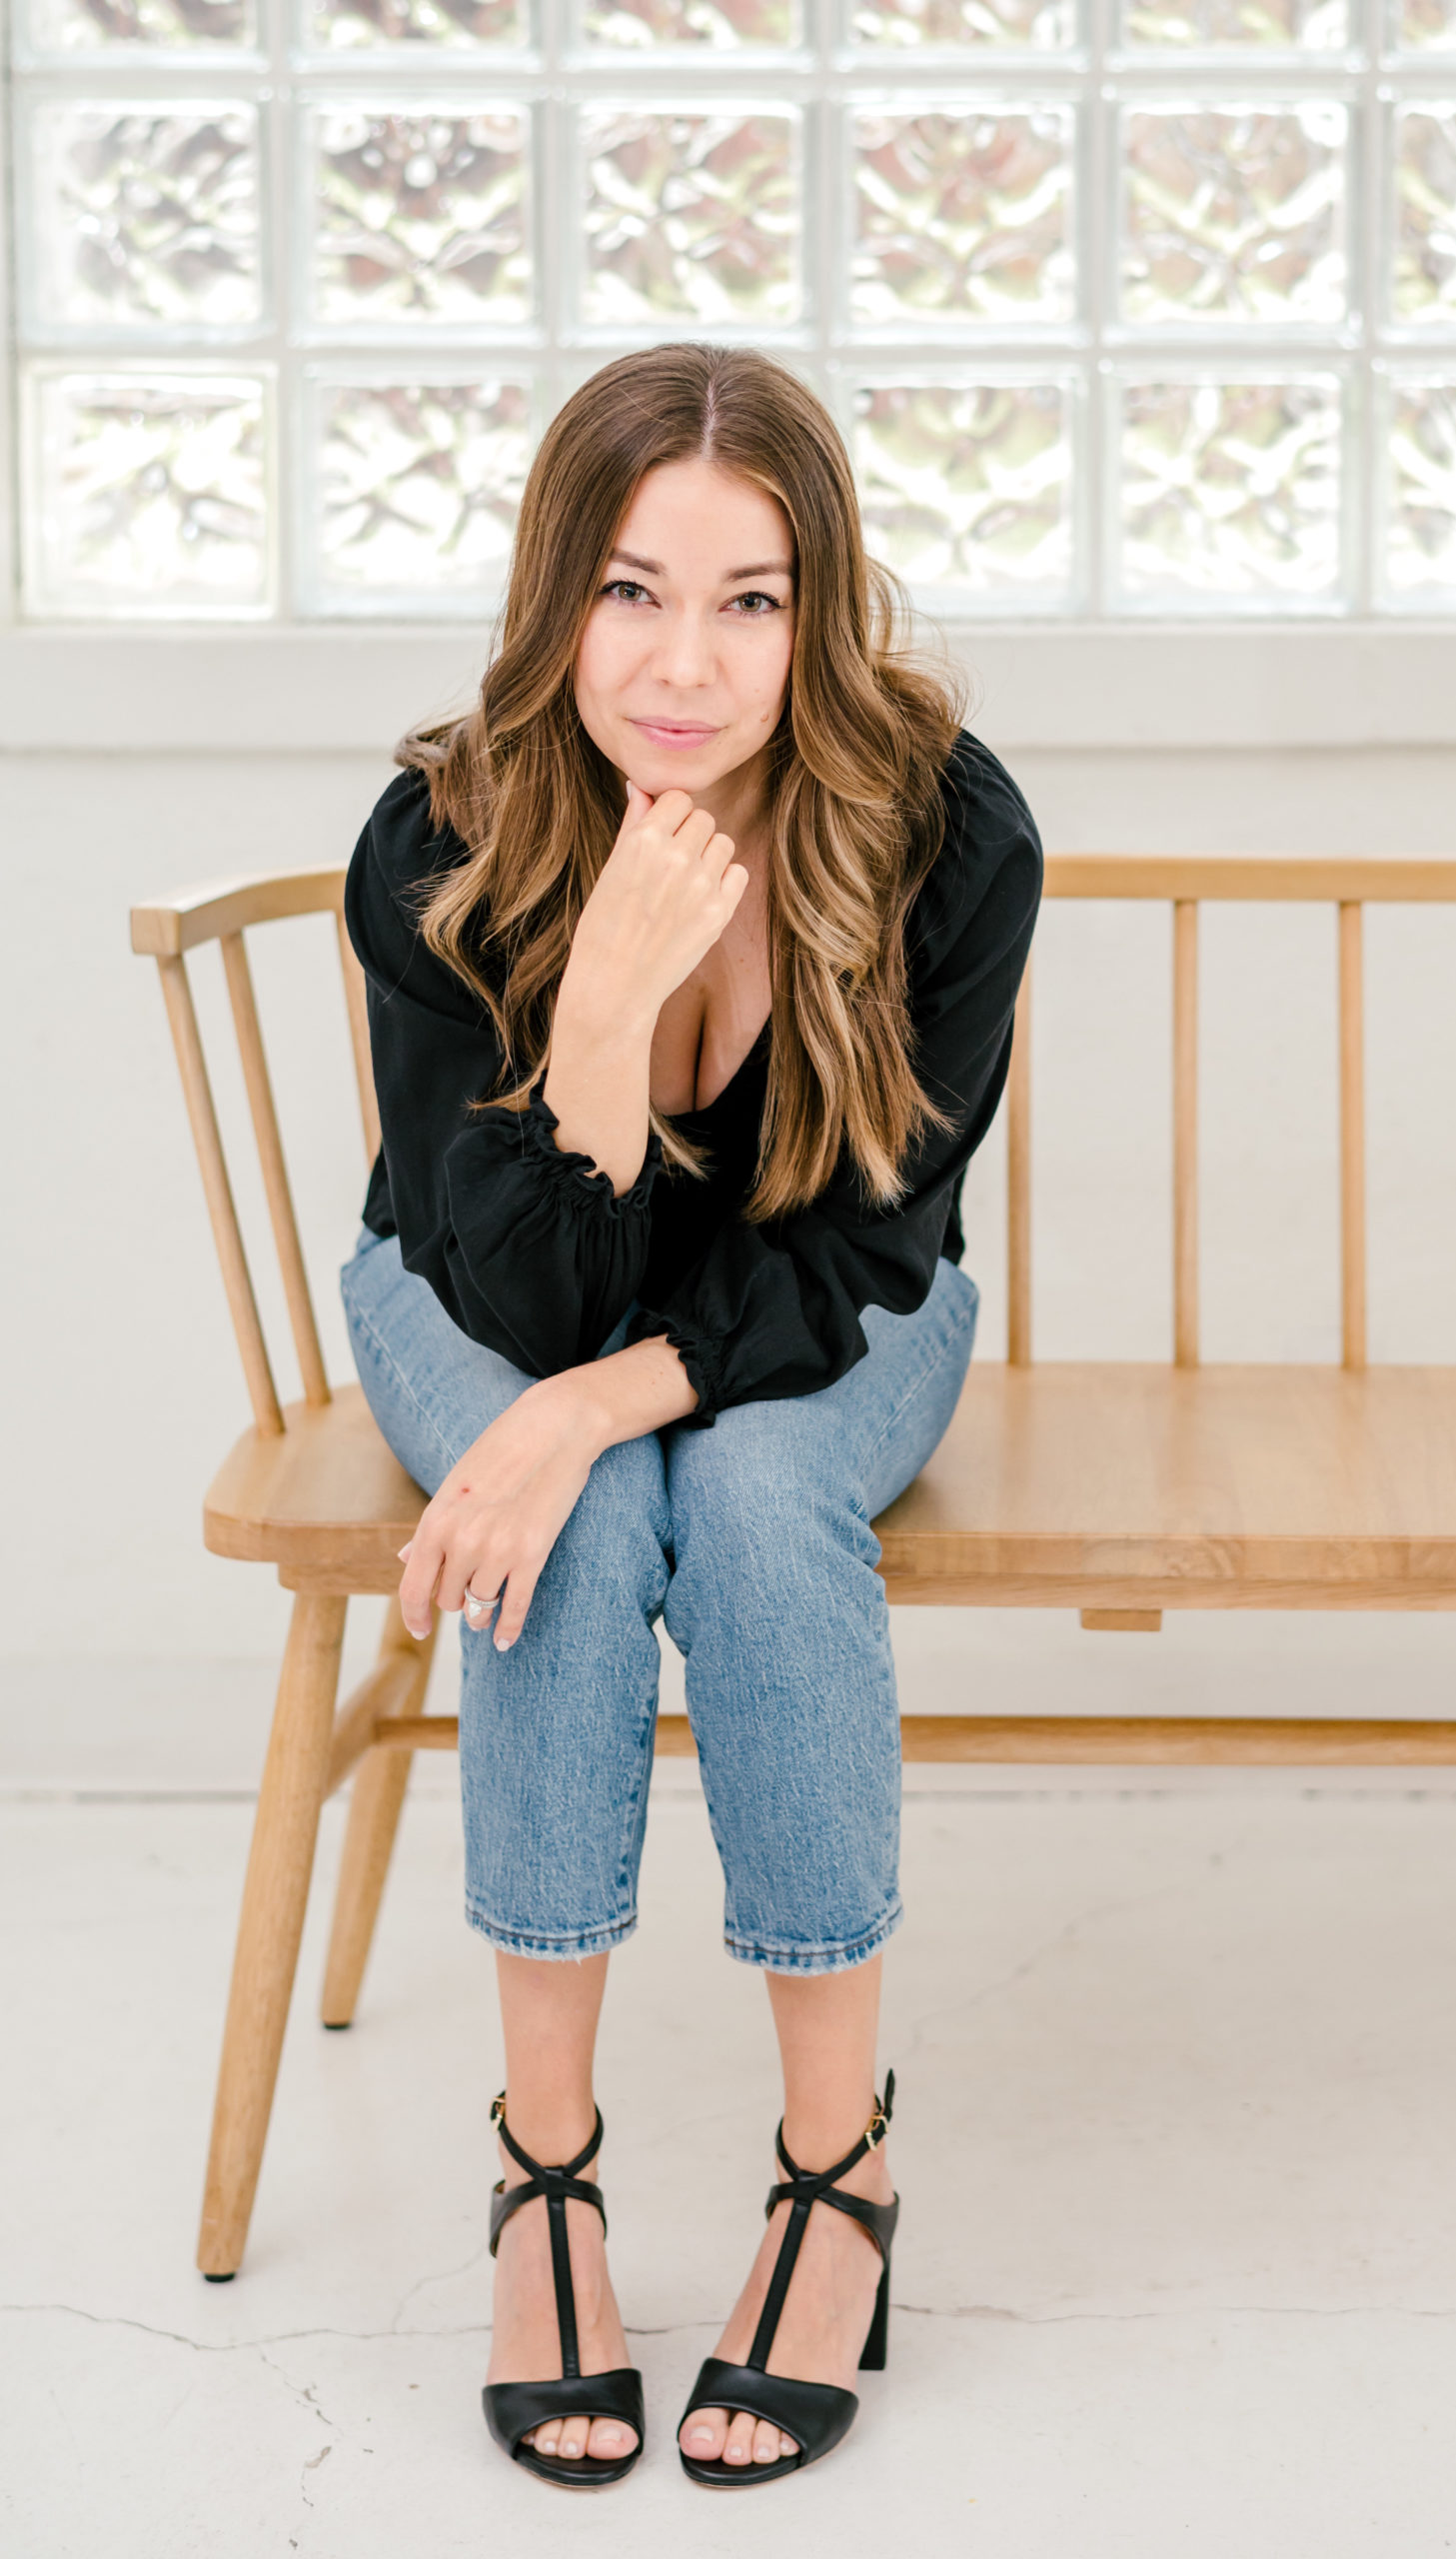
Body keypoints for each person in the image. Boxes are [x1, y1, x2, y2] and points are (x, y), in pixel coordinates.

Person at [339, 342, 1041, 2490]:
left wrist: (584, 1416)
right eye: (634, 590)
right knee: (586, 1485)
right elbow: (514, 1287)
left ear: (820, 612)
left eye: (751, 598)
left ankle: (841, 2167)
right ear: (562, 593)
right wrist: (608, 1003)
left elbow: (851, 1255)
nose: (685, 660)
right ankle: (542, 2164)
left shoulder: (946, 831)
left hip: (840, 1318)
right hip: (470, 1292)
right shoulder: (440, 832)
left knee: (719, 1491)